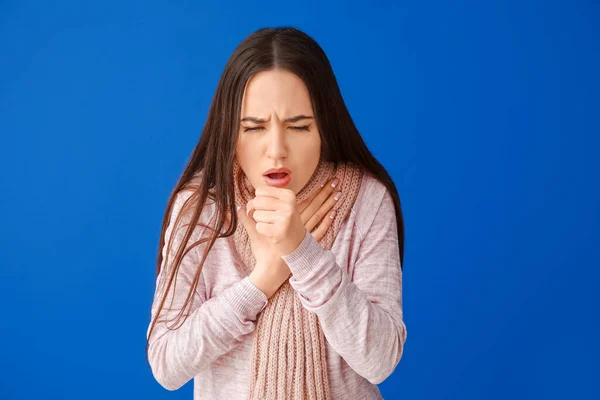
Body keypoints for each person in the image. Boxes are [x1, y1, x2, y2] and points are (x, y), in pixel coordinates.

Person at [146, 26, 407, 400]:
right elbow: (167, 364)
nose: (276, 150)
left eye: (299, 126)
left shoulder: (365, 200)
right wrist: (264, 277)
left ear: (324, 127)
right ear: (229, 133)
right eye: (253, 128)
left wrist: (302, 251)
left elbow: (380, 360)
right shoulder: (201, 208)